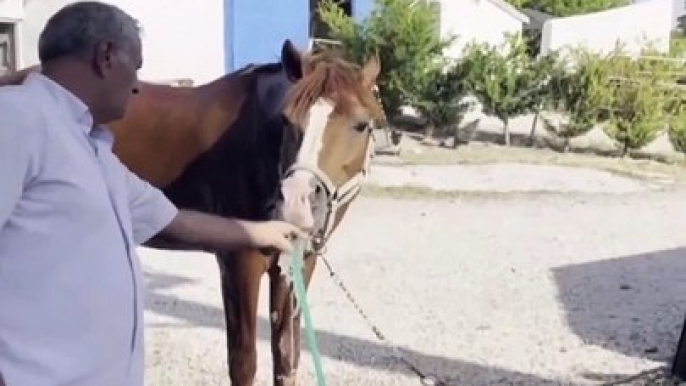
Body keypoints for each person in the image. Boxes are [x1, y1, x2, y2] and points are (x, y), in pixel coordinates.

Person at [0, 2, 305, 386]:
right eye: (137, 67)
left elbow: (174, 220)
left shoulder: (91, 149)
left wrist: (264, 233)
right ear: (106, 56)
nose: (137, 86)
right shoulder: (15, 118)